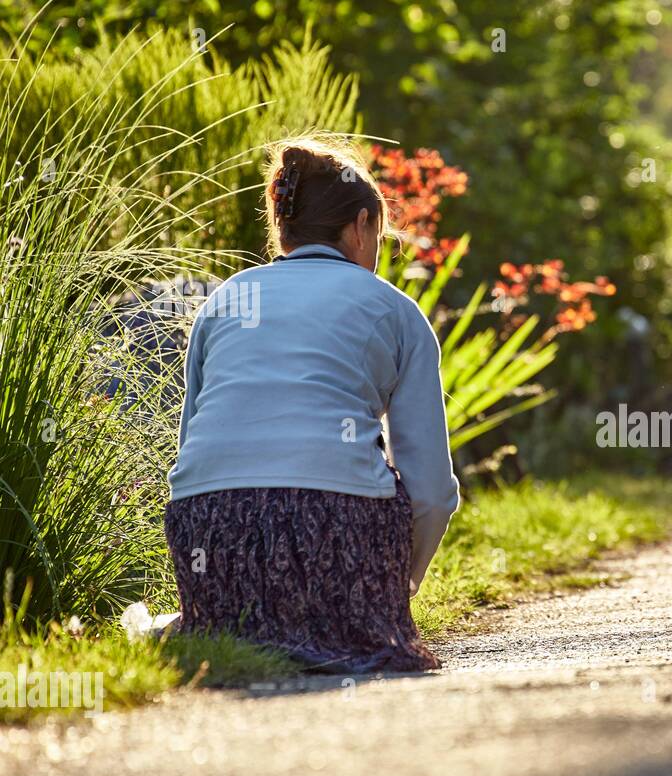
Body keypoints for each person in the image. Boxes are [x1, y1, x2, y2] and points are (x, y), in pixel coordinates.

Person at [165, 138, 459, 672]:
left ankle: (225, 622)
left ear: (283, 226)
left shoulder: (226, 298)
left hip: (211, 528)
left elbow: (191, 454)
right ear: (361, 225)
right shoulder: (395, 311)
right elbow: (433, 492)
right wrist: (395, 586)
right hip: (333, 528)